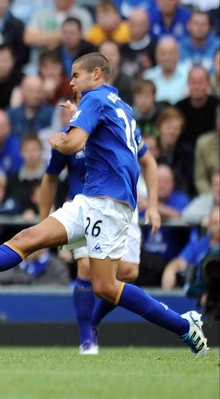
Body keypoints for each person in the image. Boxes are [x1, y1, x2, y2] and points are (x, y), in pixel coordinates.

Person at [0, 52, 209, 357]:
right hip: (90, 199)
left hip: (108, 203)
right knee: (25, 239)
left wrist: (57, 140)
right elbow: (117, 146)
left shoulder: (95, 99)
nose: (70, 82)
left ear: (96, 73)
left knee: (106, 287)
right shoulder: (122, 107)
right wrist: (79, 118)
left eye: (75, 75)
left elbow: (74, 143)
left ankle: (183, 326)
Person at [42, 98, 159, 353]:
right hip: (84, 207)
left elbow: (148, 161)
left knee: (128, 273)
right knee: (86, 265)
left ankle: (94, 321)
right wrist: (44, 220)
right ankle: (86, 337)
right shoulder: (69, 140)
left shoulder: (119, 128)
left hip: (120, 205)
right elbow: (50, 177)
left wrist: (153, 205)